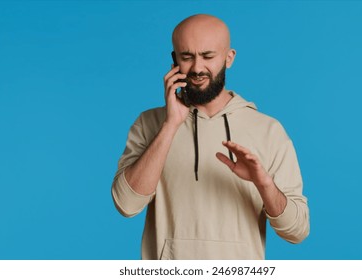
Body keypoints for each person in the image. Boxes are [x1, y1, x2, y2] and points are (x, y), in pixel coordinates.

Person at [111, 14, 309, 260]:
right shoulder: (149, 123)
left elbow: (297, 231)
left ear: (229, 58)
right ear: (174, 60)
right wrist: (171, 124)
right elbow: (126, 205)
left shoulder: (268, 130)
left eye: (207, 56)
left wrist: (264, 183)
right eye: (187, 57)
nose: (197, 68)